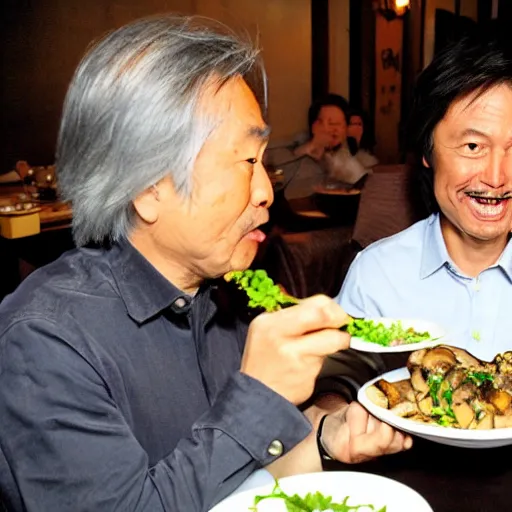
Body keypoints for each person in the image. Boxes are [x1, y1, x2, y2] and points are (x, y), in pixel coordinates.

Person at [0, 16, 410, 512]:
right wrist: (258, 396)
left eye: (264, 161)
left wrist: (324, 438)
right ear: (148, 187)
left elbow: (229, 468)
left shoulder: (222, 295)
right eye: (245, 162)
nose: (265, 192)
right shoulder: (44, 342)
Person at [336, 28, 512, 362]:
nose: (496, 177)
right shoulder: (378, 274)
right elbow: (335, 385)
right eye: (473, 146)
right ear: (428, 151)